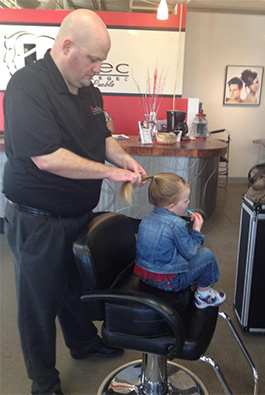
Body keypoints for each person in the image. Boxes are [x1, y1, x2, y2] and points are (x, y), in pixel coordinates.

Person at [2, 9, 146, 394]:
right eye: (94, 59)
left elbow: (101, 137)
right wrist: (108, 173)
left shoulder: (90, 92)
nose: (98, 69)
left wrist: (123, 159)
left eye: (102, 60)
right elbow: (46, 157)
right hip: (37, 220)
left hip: (77, 214)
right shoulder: (26, 87)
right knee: (39, 303)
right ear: (67, 47)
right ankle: (43, 382)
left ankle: (83, 344)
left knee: (74, 288)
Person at [133, 173, 226, 308]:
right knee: (207, 256)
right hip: (169, 283)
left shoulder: (146, 219)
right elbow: (190, 253)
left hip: (146, 277)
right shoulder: (176, 224)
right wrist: (196, 231)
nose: (188, 203)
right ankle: (204, 296)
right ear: (171, 206)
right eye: (185, 201)